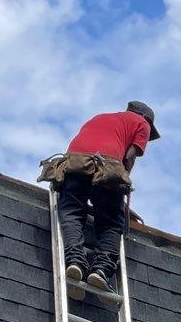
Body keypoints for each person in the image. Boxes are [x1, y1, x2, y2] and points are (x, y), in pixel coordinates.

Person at [43, 102, 160, 292]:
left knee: (72, 211)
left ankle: (75, 261)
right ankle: (101, 270)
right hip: (106, 164)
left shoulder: (100, 117)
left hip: (73, 163)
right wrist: (121, 186)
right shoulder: (142, 123)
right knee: (111, 222)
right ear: (146, 118)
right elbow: (129, 157)